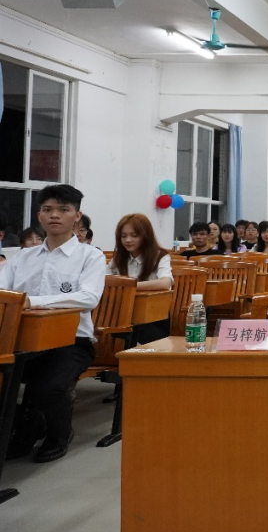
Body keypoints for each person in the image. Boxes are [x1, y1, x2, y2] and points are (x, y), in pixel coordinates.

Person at [0, 184, 105, 462]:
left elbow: (88, 298)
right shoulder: (23, 257)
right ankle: (26, 426)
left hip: (72, 342)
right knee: (5, 382)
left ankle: (59, 434)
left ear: (77, 216)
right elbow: (3, 293)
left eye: (63, 209)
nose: (54, 215)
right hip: (24, 340)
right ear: (39, 216)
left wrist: (34, 302)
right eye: (47, 209)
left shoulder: (90, 256)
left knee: (48, 389)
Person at [108, 213, 174, 291]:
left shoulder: (160, 256)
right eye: (123, 236)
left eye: (134, 235)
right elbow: (103, 279)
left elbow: (165, 283)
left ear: (146, 236)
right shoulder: (119, 258)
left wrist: (128, 286)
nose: (128, 240)